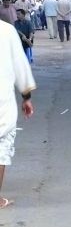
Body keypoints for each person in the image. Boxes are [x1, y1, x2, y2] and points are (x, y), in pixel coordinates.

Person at [0, 18, 36, 209]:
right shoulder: (6, 31)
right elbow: (20, 64)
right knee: (1, 147)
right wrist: (26, 96)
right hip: (1, 100)